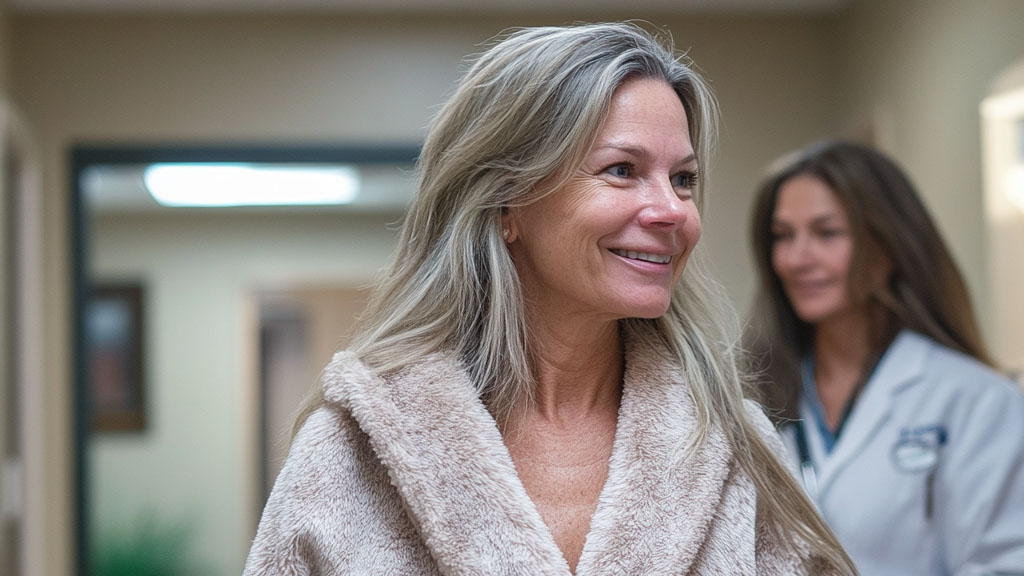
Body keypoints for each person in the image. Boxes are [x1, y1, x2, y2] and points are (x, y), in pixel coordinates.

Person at [244, 23, 855, 575]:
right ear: (508, 203)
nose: (673, 210)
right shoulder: (353, 450)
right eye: (621, 169)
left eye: (684, 179)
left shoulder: (732, 447)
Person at [748, 140, 1024, 576]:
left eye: (827, 233)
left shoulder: (977, 399)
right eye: (783, 236)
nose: (797, 258)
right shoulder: (751, 393)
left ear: (887, 246)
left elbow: (1004, 565)